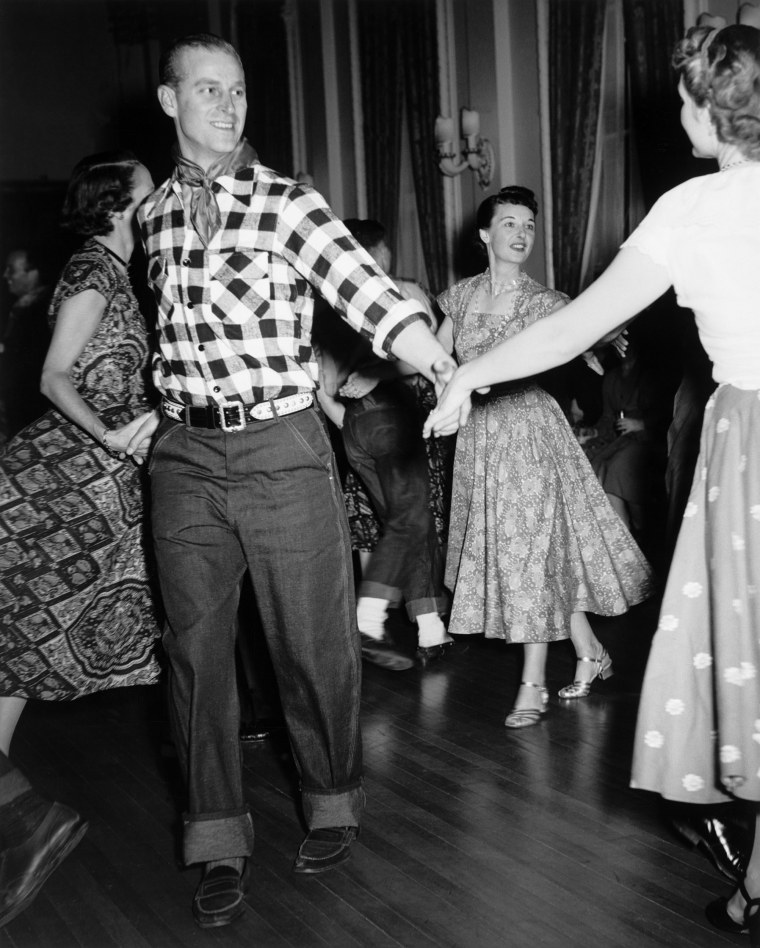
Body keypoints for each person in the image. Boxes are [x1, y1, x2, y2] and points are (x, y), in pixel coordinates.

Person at [425, 22, 760, 944]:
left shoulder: (692, 210)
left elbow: (571, 336)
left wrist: (464, 376)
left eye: (684, 96)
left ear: (707, 105)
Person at [126, 33, 457, 930]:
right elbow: (167, 337)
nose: (227, 106)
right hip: (185, 459)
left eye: (236, 91)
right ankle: (215, 837)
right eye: (207, 89)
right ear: (169, 101)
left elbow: (365, 288)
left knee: (310, 645)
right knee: (195, 659)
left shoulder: (286, 201)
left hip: (280, 448)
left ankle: (334, 797)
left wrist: (438, 362)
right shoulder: (151, 217)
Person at [0, 151, 162, 923]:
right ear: (120, 204)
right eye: (150, 188)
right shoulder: (94, 272)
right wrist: (114, 437)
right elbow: (55, 377)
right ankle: (27, 821)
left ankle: (22, 825)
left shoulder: (127, 276)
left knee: (15, 653)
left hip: (89, 489)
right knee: (11, 642)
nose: (161, 195)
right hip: (52, 485)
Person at [432, 186, 654, 728]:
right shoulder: (459, 297)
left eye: (529, 225)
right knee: (527, 556)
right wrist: (380, 371)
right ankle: (591, 651)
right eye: (510, 223)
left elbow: (591, 324)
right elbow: (439, 361)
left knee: (527, 557)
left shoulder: (543, 300)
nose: (521, 234)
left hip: (530, 435)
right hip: (479, 440)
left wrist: (608, 337)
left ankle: (533, 684)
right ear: (485, 234)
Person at [315, 218, 451, 670]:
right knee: (413, 519)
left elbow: (324, 386)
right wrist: (381, 385)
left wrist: (353, 421)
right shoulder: (397, 290)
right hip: (392, 418)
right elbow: (425, 360)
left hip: (357, 427)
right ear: (377, 252)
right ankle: (368, 618)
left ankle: (431, 632)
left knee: (406, 524)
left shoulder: (329, 304)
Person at [1, 247, 52, 439]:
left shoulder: (44, 308)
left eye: (11, 269)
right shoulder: (22, 305)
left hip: (33, 410)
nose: (6, 275)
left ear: (33, 272)